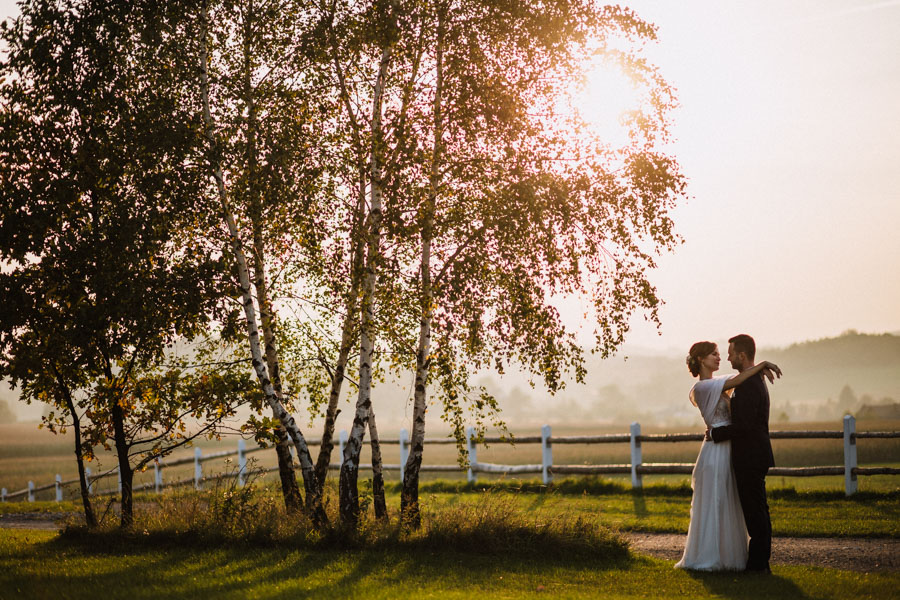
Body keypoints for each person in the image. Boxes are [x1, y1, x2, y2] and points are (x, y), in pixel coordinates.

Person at [674, 339, 781, 571]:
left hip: (731, 447)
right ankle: (710, 555)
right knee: (716, 502)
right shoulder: (702, 388)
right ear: (701, 359)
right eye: (714, 354)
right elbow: (739, 379)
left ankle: (734, 557)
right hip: (716, 450)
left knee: (733, 503)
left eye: (722, 353)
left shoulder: (719, 383)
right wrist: (763, 364)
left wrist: (758, 369)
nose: (721, 357)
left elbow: (741, 377)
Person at [709, 334, 777, 573]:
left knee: (755, 511)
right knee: (757, 509)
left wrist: (716, 434)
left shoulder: (748, 385)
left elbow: (744, 426)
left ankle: (758, 564)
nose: (728, 358)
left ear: (742, 355)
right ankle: (759, 561)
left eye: (731, 354)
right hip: (754, 454)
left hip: (750, 456)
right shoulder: (750, 380)